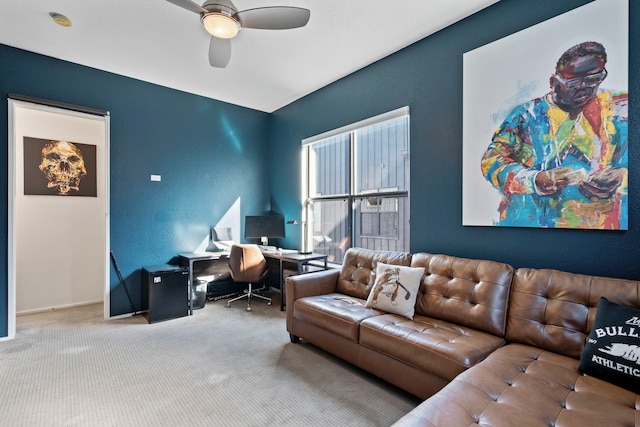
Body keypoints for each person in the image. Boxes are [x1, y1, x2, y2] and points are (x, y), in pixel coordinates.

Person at [481, 41, 628, 229]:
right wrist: (534, 180)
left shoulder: (620, 108)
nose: (584, 87)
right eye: (573, 82)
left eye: (593, 79)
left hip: (606, 229)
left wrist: (620, 178)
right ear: (553, 82)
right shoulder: (526, 116)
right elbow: (491, 162)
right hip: (534, 227)